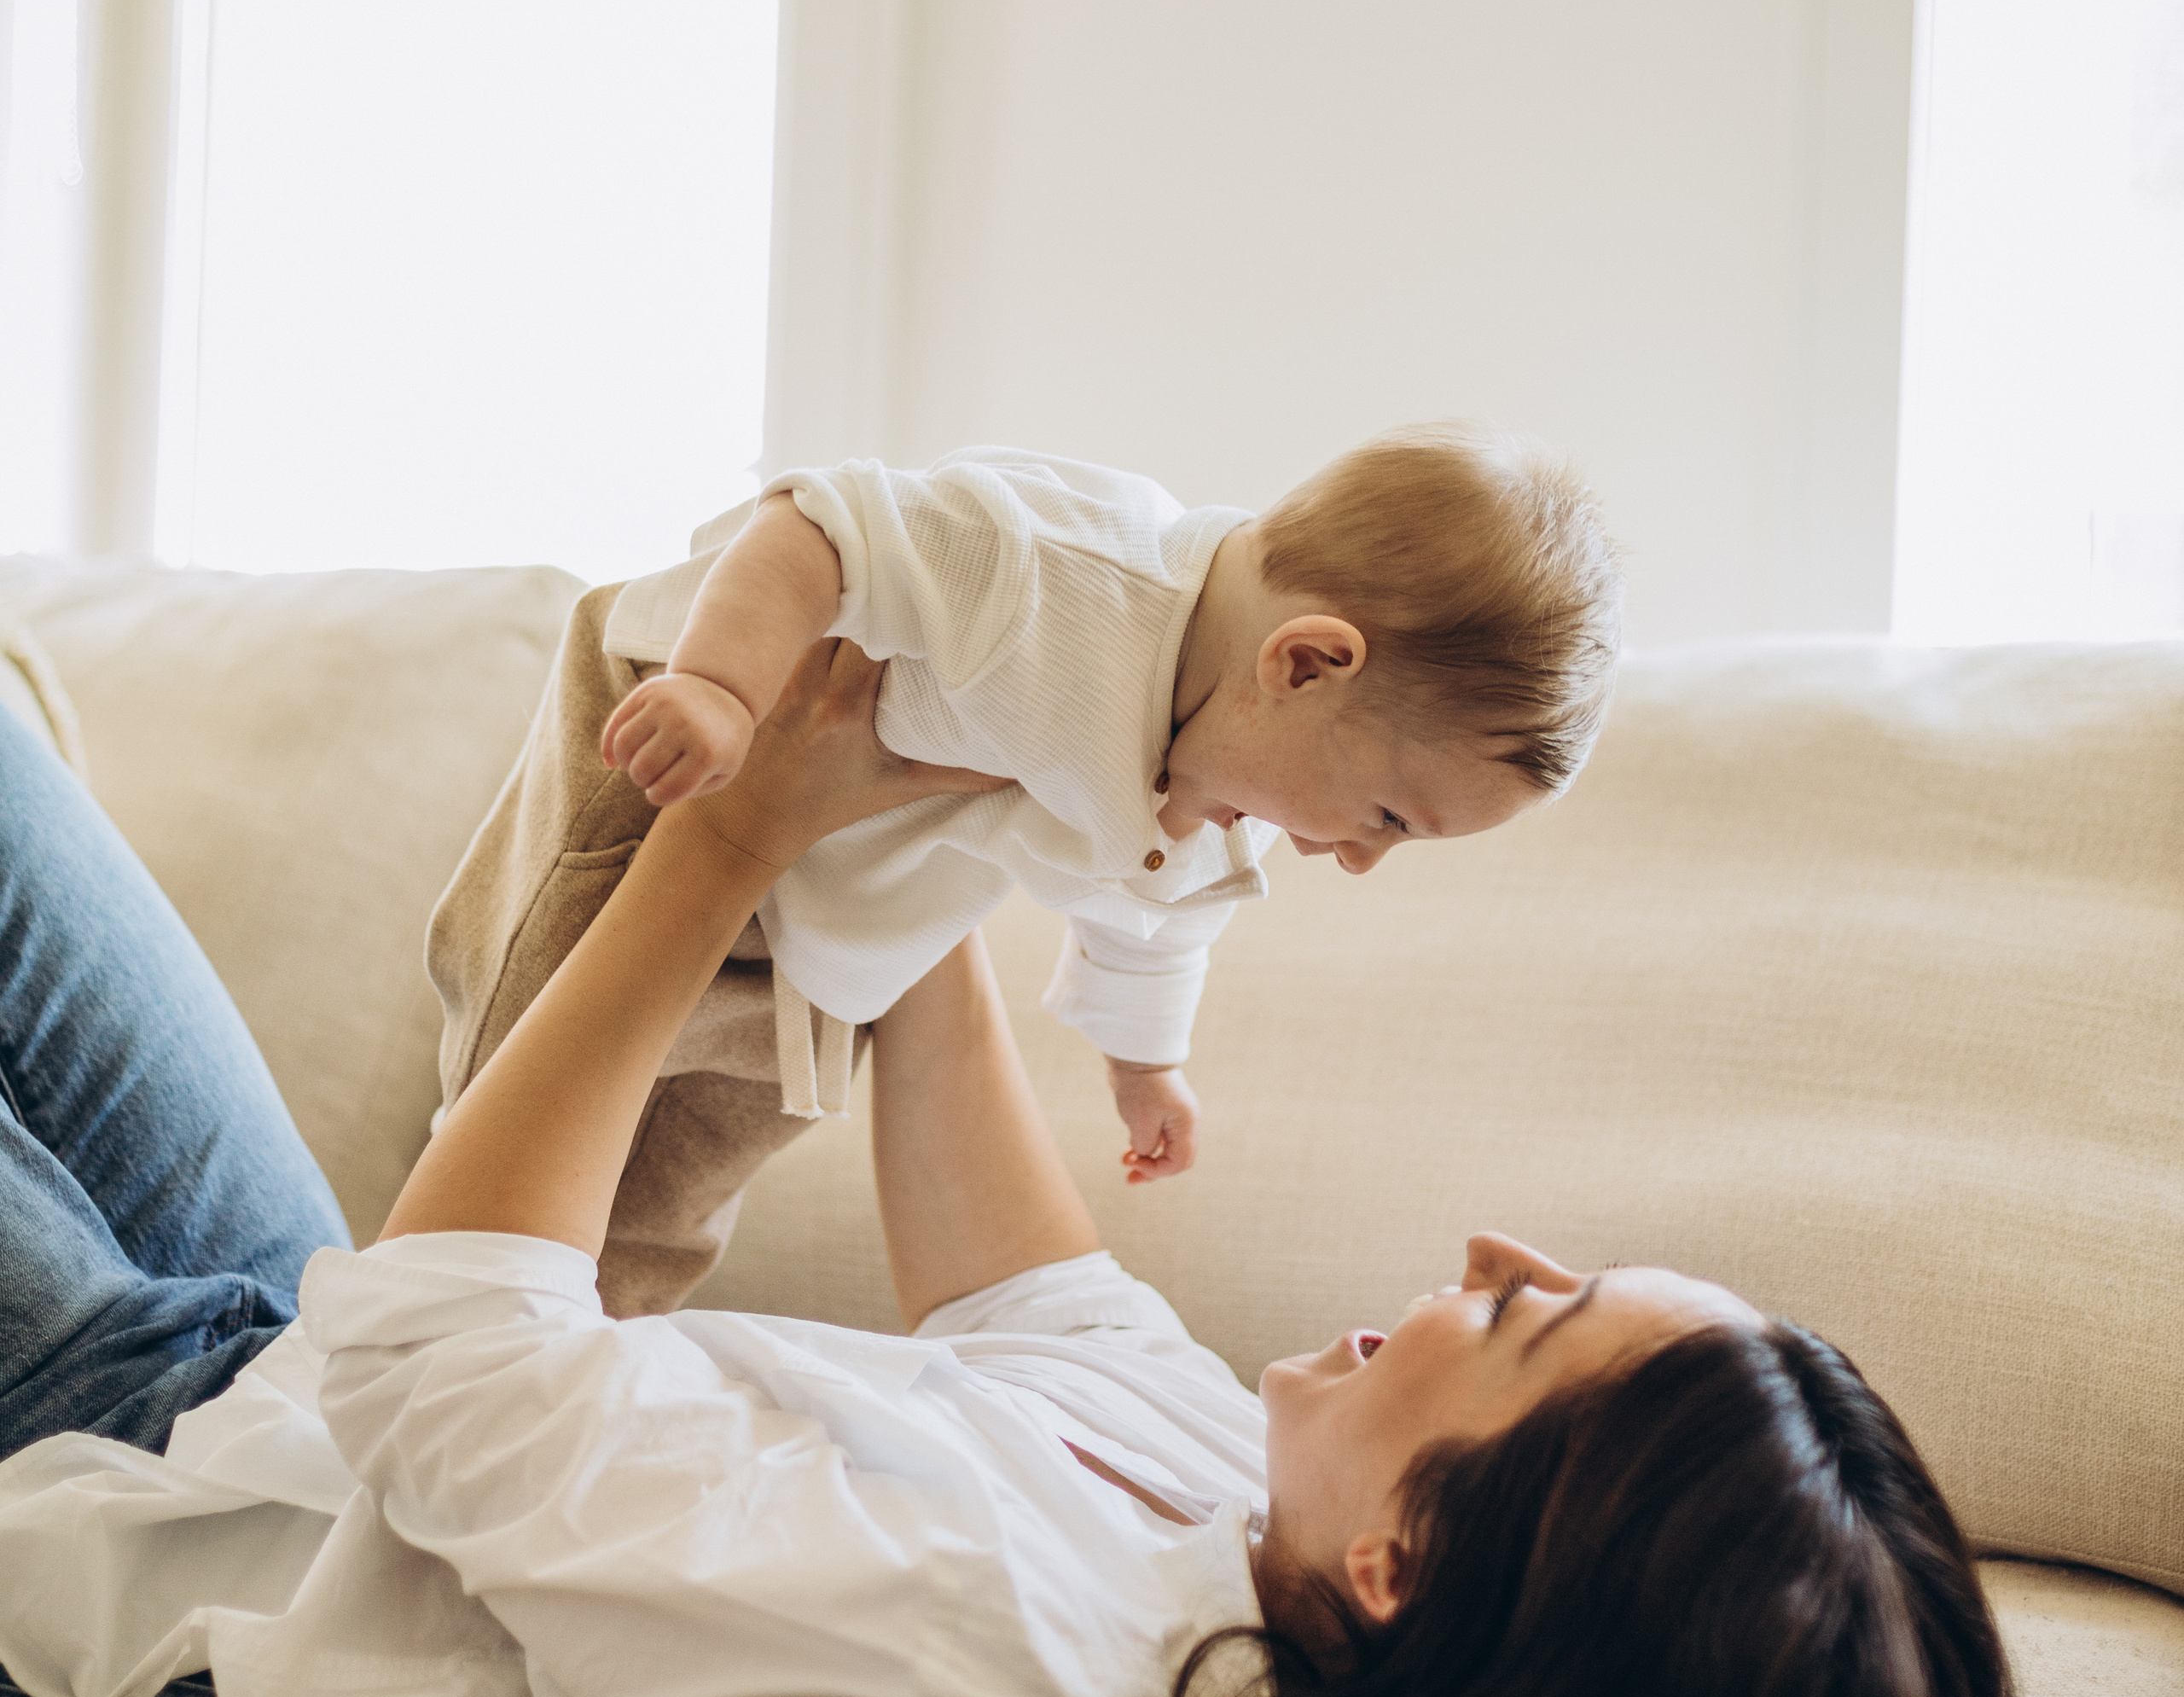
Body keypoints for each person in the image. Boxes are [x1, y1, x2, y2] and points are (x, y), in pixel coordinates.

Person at [0, 664, 2010, 1697]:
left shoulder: (989, 1668)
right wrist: (931, 802)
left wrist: (728, 852)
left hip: (140, 1553)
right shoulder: (1255, 1543)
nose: (1481, 1250)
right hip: (273, 1385)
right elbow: (1035, 1312)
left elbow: (446, 1355)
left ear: (1410, 1566)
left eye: (1518, 1319)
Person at [427, 426, 1621, 1313]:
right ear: (1305, 665)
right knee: (524, 1079)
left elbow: (1161, 917)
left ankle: (600, 1352)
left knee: (679, 1184)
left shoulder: (1229, 774)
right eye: (1387, 817)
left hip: (828, 927)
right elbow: (814, 526)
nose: (1359, 860)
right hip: (673, 759)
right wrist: (722, 689)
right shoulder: (1056, 567)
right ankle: (441, 1303)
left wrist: (1146, 1064)